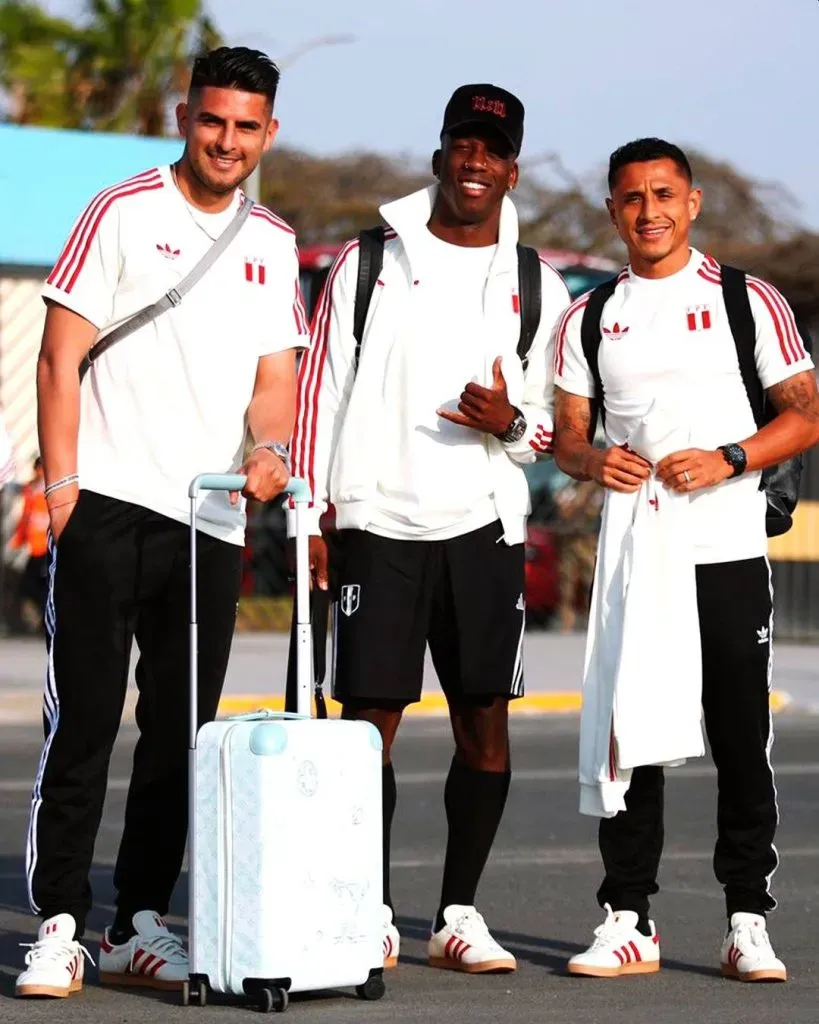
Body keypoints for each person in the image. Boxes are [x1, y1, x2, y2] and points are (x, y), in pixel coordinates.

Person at [16, 46, 307, 999]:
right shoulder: (123, 209)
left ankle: (139, 923)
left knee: (181, 729)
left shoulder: (271, 241)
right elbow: (61, 358)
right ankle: (60, 924)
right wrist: (63, 493)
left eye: (246, 126)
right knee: (86, 722)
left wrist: (269, 450)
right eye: (212, 120)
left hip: (209, 522)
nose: (227, 141)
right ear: (186, 116)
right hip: (104, 505)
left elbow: (275, 384)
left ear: (269, 132)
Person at [289, 84, 570, 974]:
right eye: (463, 143)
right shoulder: (369, 262)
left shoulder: (538, 282)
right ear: (440, 154)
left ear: (510, 166)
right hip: (376, 520)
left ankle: (456, 913)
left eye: (493, 148)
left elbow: (551, 431)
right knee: (366, 727)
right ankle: (366, 909)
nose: (476, 161)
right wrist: (314, 515)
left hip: (482, 528)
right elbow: (318, 392)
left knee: (484, 724)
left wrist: (507, 423)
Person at [553, 138, 819, 982]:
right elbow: (564, 434)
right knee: (630, 737)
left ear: (692, 202)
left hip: (727, 549)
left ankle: (747, 919)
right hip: (637, 557)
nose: (648, 211)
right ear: (611, 210)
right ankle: (627, 918)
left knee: (740, 738)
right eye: (630, 198)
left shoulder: (748, 300)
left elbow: (804, 417)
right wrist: (594, 461)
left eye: (663, 194)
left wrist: (730, 458)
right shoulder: (589, 315)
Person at [552, 477, 603, 633]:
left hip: (587, 540)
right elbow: (561, 505)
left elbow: (592, 511)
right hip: (569, 539)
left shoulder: (596, 488)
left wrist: (577, 503)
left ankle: (593, 621)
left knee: (591, 581)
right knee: (566, 583)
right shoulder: (572, 485)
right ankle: (566, 621)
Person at [11, 457, 50, 631]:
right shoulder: (31, 489)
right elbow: (26, 517)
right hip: (35, 546)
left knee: (37, 584)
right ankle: (45, 619)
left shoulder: (49, 490)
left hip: (46, 545)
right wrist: (19, 539)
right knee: (31, 585)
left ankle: (47, 619)